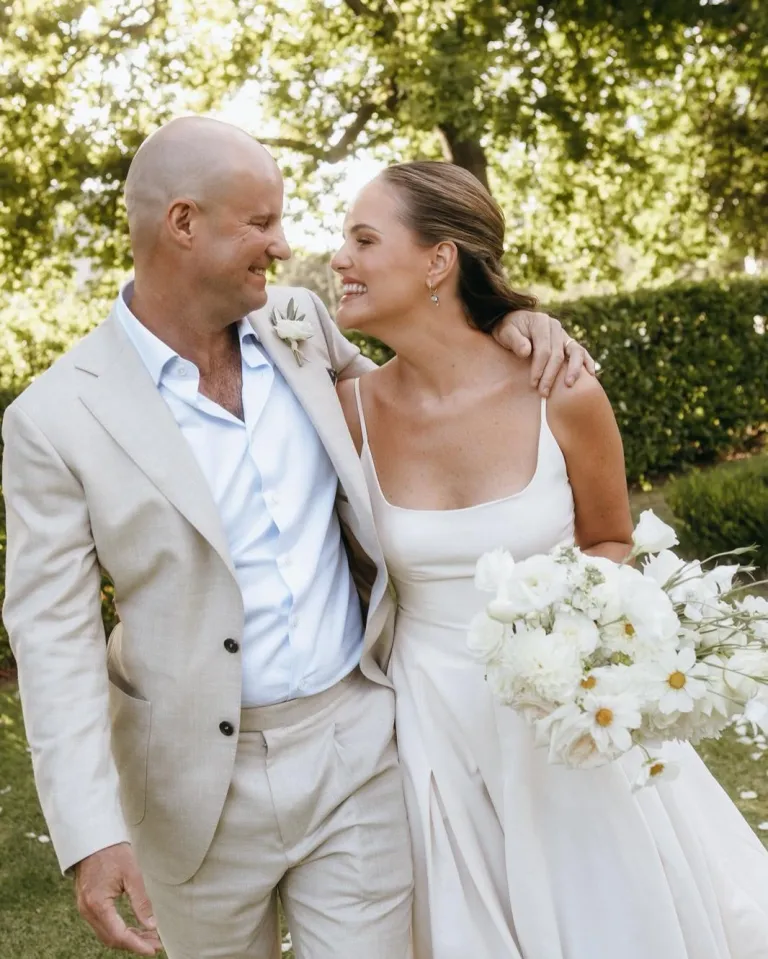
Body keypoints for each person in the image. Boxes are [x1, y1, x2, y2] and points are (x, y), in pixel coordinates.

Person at [1, 118, 590, 959]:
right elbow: (52, 637)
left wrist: (519, 329)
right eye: (262, 223)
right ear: (182, 224)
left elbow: (422, 385)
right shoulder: (55, 418)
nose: (284, 247)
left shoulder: (302, 325)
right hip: (189, 790)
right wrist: (90, 831)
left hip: (354, 746)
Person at [332, 160, 768, 959]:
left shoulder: (559, 388)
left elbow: (609, 537)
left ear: (438, 260)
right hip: (433, 724)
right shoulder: (345, 412)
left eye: (364, 238)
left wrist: (578, 652)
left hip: (566, 717)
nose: (338, 258)